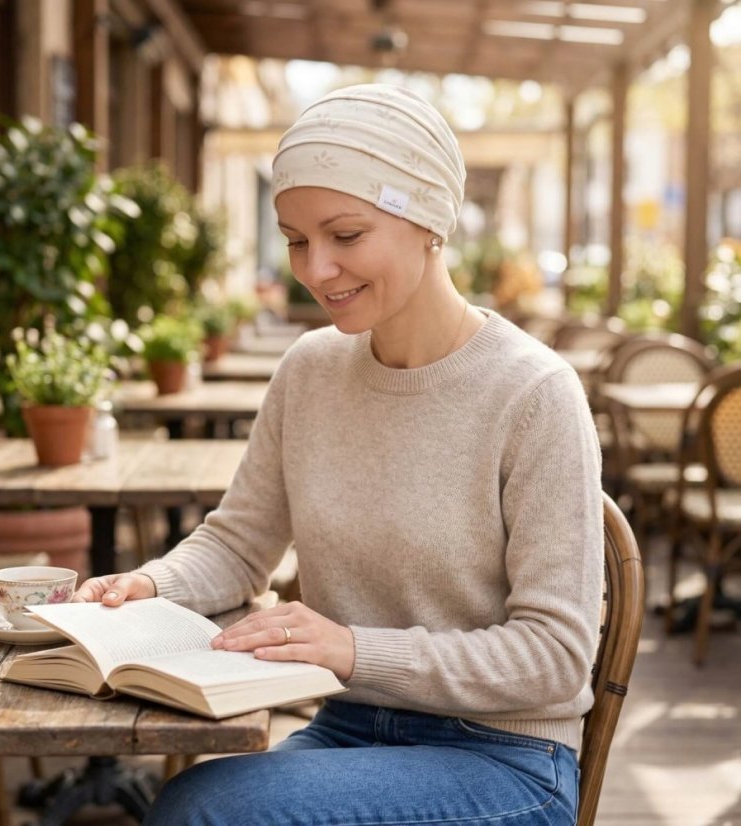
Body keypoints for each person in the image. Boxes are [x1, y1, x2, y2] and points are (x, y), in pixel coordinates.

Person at [75, 83, 603, 825]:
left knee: (203, 811)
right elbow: (238, 543)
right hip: (349, 729)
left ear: (430, 221)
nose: (316, 269)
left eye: (345, 235)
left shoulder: (536, 393)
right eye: (296, 239)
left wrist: (350, 650)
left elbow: (554, 654)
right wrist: (151, 587)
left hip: (505, 760)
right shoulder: (311, 369)